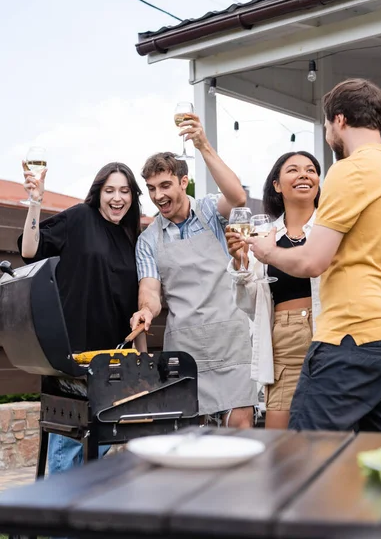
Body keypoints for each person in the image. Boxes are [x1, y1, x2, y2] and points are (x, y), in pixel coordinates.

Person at [247, 78, 381, 433]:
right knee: (376, 461)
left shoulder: (350, 171)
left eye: (328, 124)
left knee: (306, 453)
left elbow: (311, 262)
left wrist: (267, 251)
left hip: (350, 339)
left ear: (340, 120)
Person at [131, 113, 258, 428]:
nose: (158, 195)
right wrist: (145, 312)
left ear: (183, 182)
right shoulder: (148, 240)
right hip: (185, 348)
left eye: (165, 185)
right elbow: (151, 294)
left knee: (240, 424)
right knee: (192, 432)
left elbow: (238, 197)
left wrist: (203, 146)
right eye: (151, 188)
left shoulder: (210, 212)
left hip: (231, 338)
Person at [18, 161, 144, 473]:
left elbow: (136, 305)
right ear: (98, 193)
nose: (117, 198)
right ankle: (58, 518)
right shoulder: (79, 218)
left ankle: (81, 516)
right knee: (67, 449)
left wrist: (143, 362)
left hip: (114, 361)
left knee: (99, 450)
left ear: (132, 197)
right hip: (73, 358)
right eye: (110, 190)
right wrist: (36, 200)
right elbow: (30, 249)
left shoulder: (133, 237)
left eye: (124, 191)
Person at [226, 151, 321, 429]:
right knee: (279, 443)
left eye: (311, 169)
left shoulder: (332, 230)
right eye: (293, 170)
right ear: (277, 185)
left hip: (329, 335)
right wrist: (239, 261)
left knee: (329, 436)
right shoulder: (263, 236)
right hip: (284, 340)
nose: (304, 174)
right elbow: (249, 305)